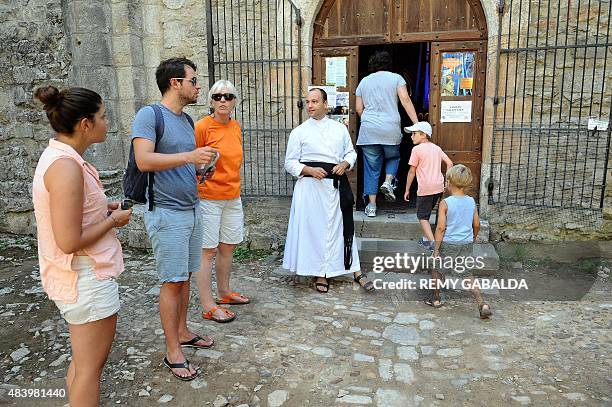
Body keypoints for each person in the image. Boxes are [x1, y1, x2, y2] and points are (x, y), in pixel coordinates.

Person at [32, 85, 133, 405]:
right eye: (103, 117)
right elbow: (69, 240)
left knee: (82, 364)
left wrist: (103, 209)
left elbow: (73, 215)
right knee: (90, 370)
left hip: (84, 276)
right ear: (85, 124)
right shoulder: (66, 167)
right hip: (86, 278)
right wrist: (113, 221)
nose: (108, 123)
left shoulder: (62, 158)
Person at [132, 57, 217, 381]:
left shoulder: (185, 120)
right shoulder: (149, 115)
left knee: (184, 278)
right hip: (167, 214)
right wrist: (189, 157)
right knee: (172, 282)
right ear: (175, 83)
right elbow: (144, 160)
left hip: (191, 208)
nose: (198, 86)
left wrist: (199, 169)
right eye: (193, 80)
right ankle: (172, 351)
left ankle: (182, 331)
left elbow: (179, 162)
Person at [283, 88, 373, 293]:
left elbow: (351, 153)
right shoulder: (299, 132)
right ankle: (320, 273)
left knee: (340, 229)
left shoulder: (339, 129)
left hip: (335, 188)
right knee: (315, 231)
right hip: (310, 189)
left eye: (315, 101)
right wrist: (308, 170)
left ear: (325, 104)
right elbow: (289, 163)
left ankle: (353, 268)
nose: (310, 105)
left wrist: (345, 163)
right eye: (307, 102)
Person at [194, 80, 248, 323]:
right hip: (208, 198)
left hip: (232, 196)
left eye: (228, 96)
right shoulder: (202, 127)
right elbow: (191, 160)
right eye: (217, 97)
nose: (223, 101)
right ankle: (208, 305)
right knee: (207, 251)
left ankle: (224, 293)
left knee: (228, 246)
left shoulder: (235, 127)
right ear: (211, 101)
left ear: (235, 101)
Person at [356, 50, 418, 217]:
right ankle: (388, 181)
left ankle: (371, 206)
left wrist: (369, 121)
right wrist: (417, 124)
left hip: (368, 131)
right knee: (393, 157)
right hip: (390, 128)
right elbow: (405, 100)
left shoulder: (363, 82)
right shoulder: (397, 78)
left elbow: (358, 109)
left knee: (371, 167)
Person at [427, 165, 492, 319]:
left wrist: (436, 249)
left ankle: (436, 299)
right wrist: (472, 238)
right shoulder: (471, 202)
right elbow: (476, 225)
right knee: (468, 275)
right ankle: (482, 303)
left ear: (448, 182)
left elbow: (441, 228)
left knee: (437, 269)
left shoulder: (445, 203)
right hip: (466, 244)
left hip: (449, 244)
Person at [403, 121, 453, 251]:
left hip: (425, 188)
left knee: (422, 217)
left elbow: (412, 171)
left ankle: (433, 244)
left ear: (423, 134)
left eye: (414, 133)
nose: (411, 136)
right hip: (438, 187)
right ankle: (426, 239)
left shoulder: (416, 149)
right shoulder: (437, 148)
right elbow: (450, 163)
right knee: (428, 212)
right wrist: (447, 181)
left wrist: (407, 189)